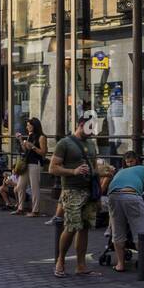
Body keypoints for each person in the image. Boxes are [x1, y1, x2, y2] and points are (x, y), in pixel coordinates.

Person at [51, 112, 99, 278]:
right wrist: (73, 171)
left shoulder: (92, 144)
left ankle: (81, 265)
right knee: (71, 227)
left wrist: (104, 172)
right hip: (72, 190)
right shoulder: (64, 143)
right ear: (80, 125)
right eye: (90, 128)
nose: (92, 132)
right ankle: (60, 260)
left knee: (84, 227)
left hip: (89, 191)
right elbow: (53, 168)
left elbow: (94, 167)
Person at [106, 151, 144, 272]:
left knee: (118, 231)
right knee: (140, 233)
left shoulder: (121, 170)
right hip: (131, 195)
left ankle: (120, 264)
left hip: (113, 196)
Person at [16, 117, 48, 216]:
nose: (27, 127)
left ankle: (35, 210)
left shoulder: (41, 137)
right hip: (27, 162)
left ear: (34, 126)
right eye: (27, 125)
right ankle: (20, 208)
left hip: (35, 162)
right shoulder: (30, 135)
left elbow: (43, 153)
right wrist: (21, 140)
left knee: (34, 187)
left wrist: (33, 147)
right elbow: (25, 150)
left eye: (29, 125)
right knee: (20, 186)